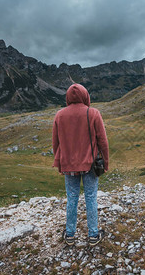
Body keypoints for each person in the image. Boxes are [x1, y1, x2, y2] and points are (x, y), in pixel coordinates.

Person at [52, 83, 109, 246]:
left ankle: (69, 234)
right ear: (86, 95)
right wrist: (105, 161)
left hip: (69, 165)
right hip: (91, 164)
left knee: (72, 198)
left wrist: (59, 163)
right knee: (91, 197)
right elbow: (103, 142)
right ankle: (93, 235)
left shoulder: (59, 115)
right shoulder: (93, 113)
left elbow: (56, 143)